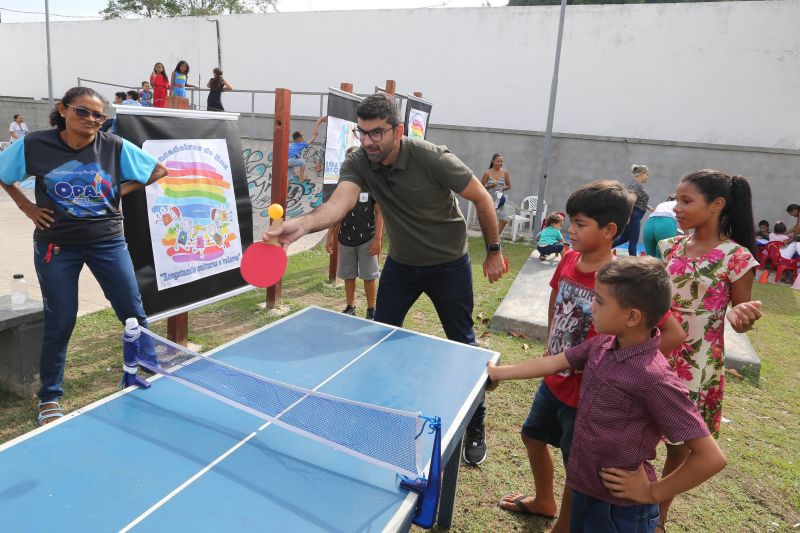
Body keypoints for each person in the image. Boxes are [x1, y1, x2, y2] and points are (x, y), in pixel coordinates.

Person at [264, 92, 505, 466]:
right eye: (363, 133)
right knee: (378, 340)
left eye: (377, 133)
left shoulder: (433, 158)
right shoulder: (360, 161)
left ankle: (475, 423)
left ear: (398, 130)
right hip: (402, 267)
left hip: (449, 265)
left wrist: (493, 251)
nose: (369, 141)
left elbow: (483, 200)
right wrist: (303, 224)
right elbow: (336, 205)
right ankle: (374, 415)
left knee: (464, 345)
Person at [488, 256, 727, 533]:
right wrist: (497, 373)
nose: (591, 306)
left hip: (620, 513)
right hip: (584, 491)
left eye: (599, 301)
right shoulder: (602, 344)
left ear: (632, 317)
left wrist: (653, 492)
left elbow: (711, 458)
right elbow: (554, 361)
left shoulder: (655, 379)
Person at [497, 180, 685, 531]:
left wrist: (617, 365)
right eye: (571, 221)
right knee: (533, 436)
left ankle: (563, 526)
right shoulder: (568, 258)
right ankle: (543, 500)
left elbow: (673, 333)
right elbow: (556, 298)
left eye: (581, 224)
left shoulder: (621, 280)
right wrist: (552, 343)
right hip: (555, 377)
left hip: (589, 395)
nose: (571, 230)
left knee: (578, 465)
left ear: (609, 230)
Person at [0, 87, 168, 425]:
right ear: (63, 110)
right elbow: (4, 174)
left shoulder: (114, 146)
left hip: (108, 242)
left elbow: (157, 171)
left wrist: (118, 190)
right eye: (83, 112)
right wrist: (26, 205)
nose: (92, 120)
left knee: (133, 312)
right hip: (56, 245)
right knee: (61, 320)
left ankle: (144, 369)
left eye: (99, 115)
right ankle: (50, 396)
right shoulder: (35, 145)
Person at [657, 170, 761, 532]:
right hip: (653, 351)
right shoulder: (668, 246)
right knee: (636, 426)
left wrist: (741, 317)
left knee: (679, 444)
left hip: (695, 362)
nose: (676, 207)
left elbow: (739, 315)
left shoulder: (737, 258)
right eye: (676, 199)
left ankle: (658, 515)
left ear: (717, 205)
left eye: (686, 201)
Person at [325, 159, 384, 320]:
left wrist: (377, 239)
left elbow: (379, 213)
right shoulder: (343, 188)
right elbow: (336, 214)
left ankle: (371, 309)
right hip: (345, 240)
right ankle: (350, 307)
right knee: (348, 275)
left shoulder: (371, 186)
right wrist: (330, 237)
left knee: (369, 276)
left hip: (367, 239)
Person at [614, 164, 653, 256]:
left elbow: (636, 200)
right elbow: (631, 200)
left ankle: (605, 249)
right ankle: (634, 262)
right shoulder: (635, 186)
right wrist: (627, 217)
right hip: (634, 216)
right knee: (633, 241)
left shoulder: (635, 185)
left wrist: (647, 206)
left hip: (633, 215)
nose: (647, 177)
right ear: (642, 173)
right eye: (646, 174)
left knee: (623, 239)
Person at [480, 153, 511, 235]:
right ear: (493, 161)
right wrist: (489, 186)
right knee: (491, 221)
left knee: (503, 220)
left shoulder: (505, 172)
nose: (500, 163)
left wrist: (503, 188)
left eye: (501, 161)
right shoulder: (487, 173)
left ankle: (494, 239)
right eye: (498, 161)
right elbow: (481, 187)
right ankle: (493, 240)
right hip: (490, 200)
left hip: (500, 199)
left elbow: (509, 186)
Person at [643, 194, 678, 259]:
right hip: (665, 224)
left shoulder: (662, 204)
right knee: (664, 259)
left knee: (649, 259)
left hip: (649, 223)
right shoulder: (678, 203)